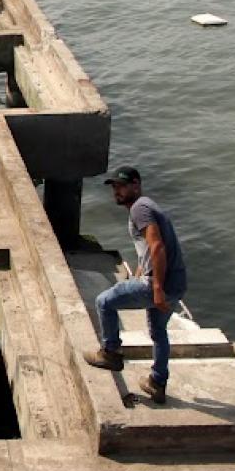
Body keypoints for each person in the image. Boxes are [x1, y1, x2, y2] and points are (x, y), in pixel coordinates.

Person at [82, 166, 188, 405]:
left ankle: (111, 353)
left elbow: (157, 246)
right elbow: (147, 252)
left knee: (104, 302)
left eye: (122, 186)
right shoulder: (149, 206)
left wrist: (157, 288)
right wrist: (138, 275)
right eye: (114, 187)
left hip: (159, 283)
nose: (117, 191)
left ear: (136, 185)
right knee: (158, 333)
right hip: (177, 284)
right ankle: (157, 383)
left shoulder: (140, 208)